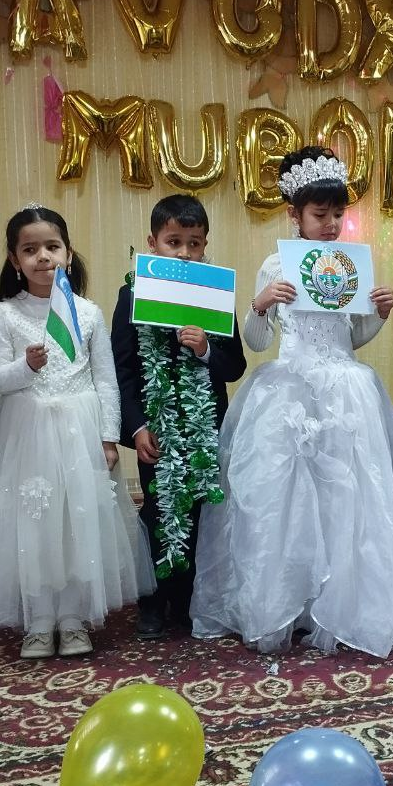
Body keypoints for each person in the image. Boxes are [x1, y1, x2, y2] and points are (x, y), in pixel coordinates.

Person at [190, 146, 393, 657]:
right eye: (319, 215)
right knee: (285, 501)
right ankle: (287, 605)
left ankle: (343, 605)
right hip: (289, 390)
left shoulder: (350, 264)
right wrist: (260, 305)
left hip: (346, 390)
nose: (330, 225)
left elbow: (352, 337)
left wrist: (377, 314)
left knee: (346, 499)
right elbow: (258, 342)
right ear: (295, 215)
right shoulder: (275, 265)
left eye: (337, 215)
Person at [0, 205, 153, 658]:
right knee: (33, 525)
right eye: (30, 250)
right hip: (26, 434)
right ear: (15, 260)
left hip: (79, 432)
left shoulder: (88, 312)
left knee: (75, 526)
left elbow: (106, 380)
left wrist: (108, 437)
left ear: (68, 252)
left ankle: (72, 617)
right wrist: (26, 367)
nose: (43, 257)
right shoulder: (7, 314)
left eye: (52, 247)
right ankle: (40, 619)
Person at [111, 194, 247, 640]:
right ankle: (153, 601)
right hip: (156, 429)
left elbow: (235, 365)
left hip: (206, 428)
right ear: (153, 243)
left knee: (205, 510)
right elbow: (123, 370)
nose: (185, 253)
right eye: (174, 242)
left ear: (205, 245)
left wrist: (206, 349)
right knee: (158, 510)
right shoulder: (132, 294)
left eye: (194, 243)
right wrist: (136, 427)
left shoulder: (215, 295)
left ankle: (193, 598)